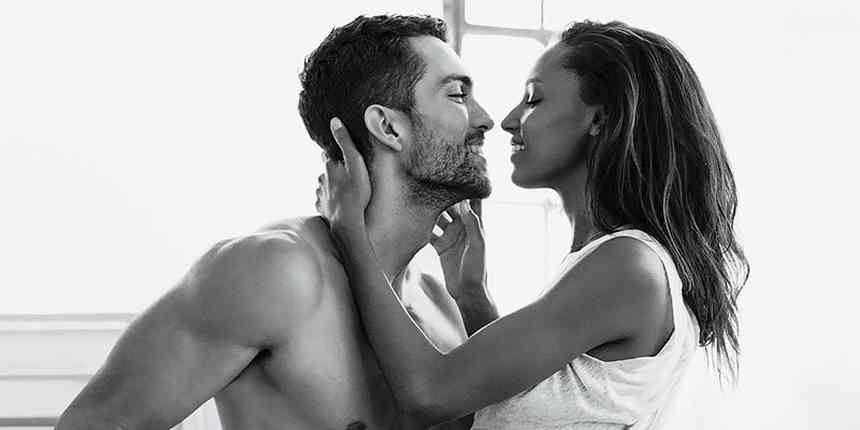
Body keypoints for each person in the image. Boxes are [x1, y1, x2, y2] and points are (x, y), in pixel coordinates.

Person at [56, 14, 494, 430]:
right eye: (458, 95)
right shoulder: (276, 272)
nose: (485, 119)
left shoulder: (441, 303)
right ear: (387, 127)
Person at [319, 20, 750, 429]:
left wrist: (350, 230)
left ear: (600, 119)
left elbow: (429, 394)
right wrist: (472, 296)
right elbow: (514, 398)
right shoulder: (610, 261)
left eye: (533, 99)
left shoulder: (628, 265)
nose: (507, 120)